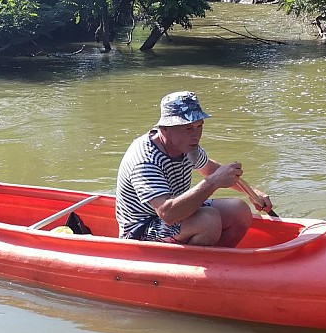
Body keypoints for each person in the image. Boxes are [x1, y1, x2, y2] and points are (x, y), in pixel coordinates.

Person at [115, 91, 272, 247]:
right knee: (208, 221)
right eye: (188, 128)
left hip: (175, 214)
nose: (196, 135)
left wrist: (252, 192)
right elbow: (168, 213)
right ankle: (194, 266)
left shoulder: (187, 147)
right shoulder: (146, 160)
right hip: (139, 232)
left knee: (239, 210)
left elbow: (210, 168)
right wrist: (213, 182)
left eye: (199, 126)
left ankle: (218, 262)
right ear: (165, 129)